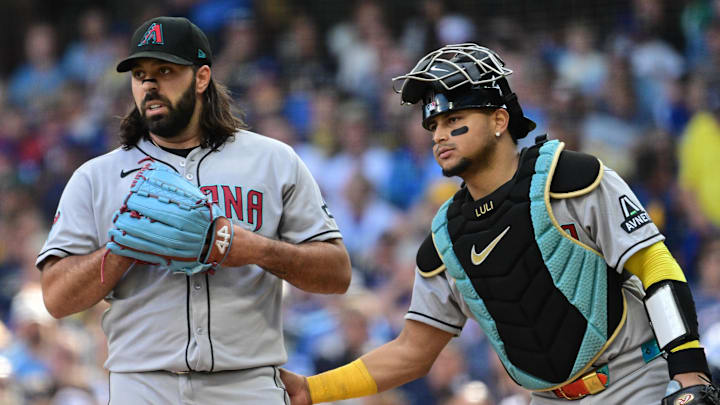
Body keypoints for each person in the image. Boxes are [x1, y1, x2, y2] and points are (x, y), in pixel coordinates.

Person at [280, 44, 718, 404]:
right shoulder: (445, 238)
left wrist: (689, 371)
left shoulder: (569, 177)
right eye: (434, 125)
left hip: (633, 380)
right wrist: (314, 390)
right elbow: (412, 351)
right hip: (545, 398)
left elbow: (654, 266)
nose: (439, 136)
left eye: (454, 121)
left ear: (498, 120)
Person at [36, 16, 351, 404]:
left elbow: (337, 274)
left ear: (201, 78)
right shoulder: (97, 176)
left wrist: (254, 249)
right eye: (139, 74)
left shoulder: (273, 161)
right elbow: (56, 298)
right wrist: (122, 250)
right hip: (143, 385)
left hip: (246, 383)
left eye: (164, 71)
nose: (149, 85)